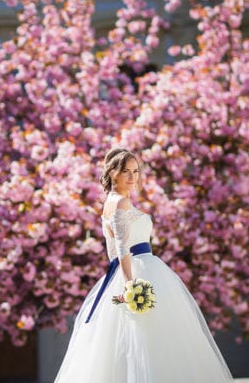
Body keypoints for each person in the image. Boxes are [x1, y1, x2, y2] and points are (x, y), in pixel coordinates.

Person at [55, 148, 233, 382]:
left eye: (136, 171)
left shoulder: (111, 202)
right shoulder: (119, 202)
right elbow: (120, 247)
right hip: (138, 270)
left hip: (133, 269)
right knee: (153, 338)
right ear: (112, 173)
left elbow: (112, 251)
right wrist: (130, 284)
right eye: (126, 171)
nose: (132, 177)